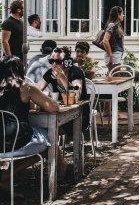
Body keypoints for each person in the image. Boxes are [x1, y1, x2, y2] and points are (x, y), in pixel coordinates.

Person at [0, 56, 67, 199]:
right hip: (15, 139)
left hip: (1, 139)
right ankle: (7, 175)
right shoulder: (25, 88)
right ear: (20, 69)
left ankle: (6, 177)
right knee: (48, 141)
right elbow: (54, 107)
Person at [37, 47, 89, 134]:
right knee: (39, 123)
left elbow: (76, 96)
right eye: (51, 61)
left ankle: (52, 146)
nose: (54, 65)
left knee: (48, 126)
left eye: (58, 62)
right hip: (58, 113)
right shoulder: (51, 72)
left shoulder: (75, 72)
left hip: (78, 115)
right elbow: (38, 89)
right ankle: (53, 146)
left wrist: (62, 77)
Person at [103, 6, 125, 72]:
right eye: (122, 13)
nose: (123, 15)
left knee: (114, 77)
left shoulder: (117, 25)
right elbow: (105, 40)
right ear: (118, 14)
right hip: (114, 55)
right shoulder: (112, 25)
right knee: (115, 78)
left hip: (116, 55)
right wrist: (111, 56)